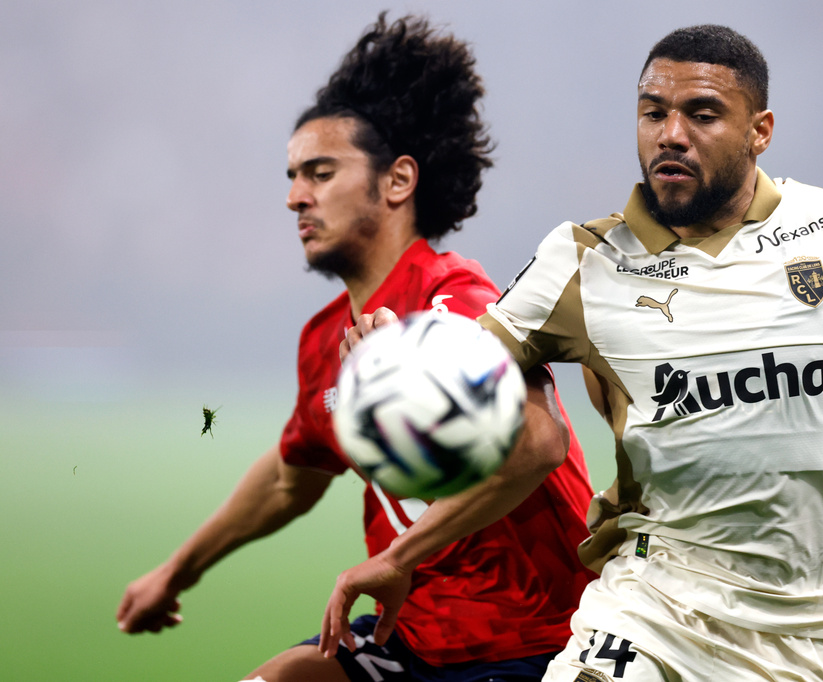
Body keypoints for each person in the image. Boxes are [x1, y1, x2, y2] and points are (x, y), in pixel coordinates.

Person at [115, 14, 595, 682]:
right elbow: (290, 478)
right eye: (292, 176)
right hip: (417, 632)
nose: (294, 198)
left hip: (542, 641)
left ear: (397, 181)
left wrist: (400, 556)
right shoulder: (323, 340)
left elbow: (537, 443)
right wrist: (175, 572)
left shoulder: (456, 300)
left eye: (319, 172)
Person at [474, 24, 823, 681]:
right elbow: (462, 373)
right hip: (656, 609)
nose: (670, 133)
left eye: (702, 114)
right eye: (653, 113)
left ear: (760, 130)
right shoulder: (583, 260)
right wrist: (400, 362)